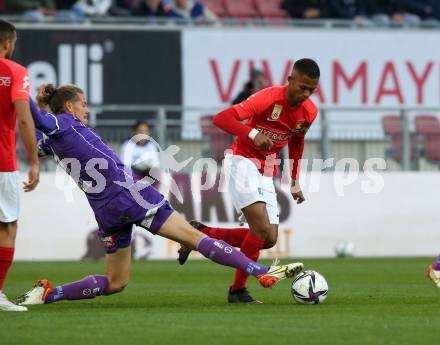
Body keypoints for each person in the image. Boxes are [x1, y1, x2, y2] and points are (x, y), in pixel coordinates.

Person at [15, 83, 304, 306]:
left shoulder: (54, 141)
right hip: (129, 195)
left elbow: (36, 137)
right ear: (69, 105)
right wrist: (21, 88)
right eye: (84, 104)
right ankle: (261, 271)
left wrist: (40, 106)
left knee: (116, 282)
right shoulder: (65, 124)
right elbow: (39, 120)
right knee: (196, 238)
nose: (87, 110)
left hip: (105, 210)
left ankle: (51, 294)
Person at [178, 58, 320, 304]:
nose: (305, 94)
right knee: (260, 229)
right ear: (290, 80)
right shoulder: (268, 98)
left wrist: (294, 179)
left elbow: (297, 141)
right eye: (302, 87)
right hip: (242, 161)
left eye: (311, 90)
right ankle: (237, 291)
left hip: (267, 168)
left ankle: (201, 233)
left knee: (269, 238)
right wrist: (253, 134)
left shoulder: (309, 112)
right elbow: (222, 118)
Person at [0, 20, 40, 312]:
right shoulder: (15, 72)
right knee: (7, 227)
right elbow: (25, 119)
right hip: (2, 163)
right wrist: (34, 161)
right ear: (8, 43)